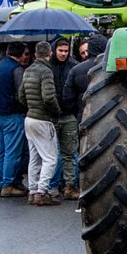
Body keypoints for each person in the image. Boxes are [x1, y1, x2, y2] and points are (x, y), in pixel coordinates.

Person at [19, 42, 63, 206]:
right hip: (43, 120)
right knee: (50, 159)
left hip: (29, 119)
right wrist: (56, 112)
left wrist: (31, 107)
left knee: (35, 158)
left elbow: (21, 95)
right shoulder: (46, 71)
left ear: (35, 53)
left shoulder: (28, 70)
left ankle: (32, 191)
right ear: (50, 53)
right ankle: (41, 192)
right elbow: (49, 97)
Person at [0, 42, 30, 197]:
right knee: (12, 151)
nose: (26, 57)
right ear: (19, 54)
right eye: (25, 54)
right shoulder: (17, 69)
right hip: (12, 114)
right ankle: (8, 184)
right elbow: (21, 94)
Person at [47, 38, 79, 199]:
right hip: (51, 117)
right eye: (61, 51)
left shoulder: (73, 67)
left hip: (68, 116)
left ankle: (70, 185)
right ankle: (52, 186)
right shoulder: (47, 68)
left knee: (69, 153)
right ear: (54, 50)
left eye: (66, 51)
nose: (63, 54)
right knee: (52, 154)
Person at [63, 34, 108, 123]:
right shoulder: (113, 67)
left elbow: (67, 99)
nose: (85, 54)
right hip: (109, 113)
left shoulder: (75, 70)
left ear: (90, 49)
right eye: (82, 53)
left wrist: (80, 110)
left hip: (85, 117)